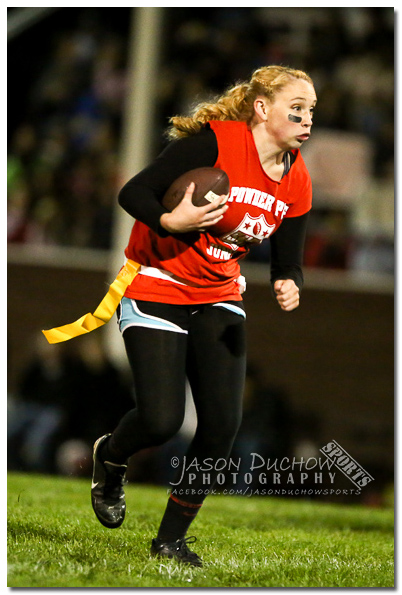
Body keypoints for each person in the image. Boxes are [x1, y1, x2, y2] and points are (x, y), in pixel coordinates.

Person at [91, 65, 316, 567]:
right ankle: (110, 456)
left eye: (311, 111)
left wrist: (288, 282)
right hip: (157, 281)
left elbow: (289, 256)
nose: (306, 119)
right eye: (295, 108)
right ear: (262, 109)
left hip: (217, 294)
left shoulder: (296, 176)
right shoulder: (217, 144)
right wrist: (171, 220)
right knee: (161, 419)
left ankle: (170, 540)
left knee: (221, 426)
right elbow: (134, 192)